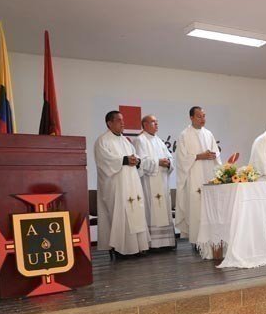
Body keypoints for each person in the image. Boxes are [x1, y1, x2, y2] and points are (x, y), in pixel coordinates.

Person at [94, 111, 149, 259]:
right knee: (121, 214)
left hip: (131, 183)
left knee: (135, 211)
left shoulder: (125, 141)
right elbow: (105, 161)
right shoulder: (102, 141)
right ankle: (120, 248)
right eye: (119, 120)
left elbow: (134, 156)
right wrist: (125, 160)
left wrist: (136, 160)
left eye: (123, 120)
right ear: (109, 123)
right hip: (116, 186)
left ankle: (137, 247)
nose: (123, 123)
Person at [175, 106, 221, 245]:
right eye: (199, 116)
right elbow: (181, 158)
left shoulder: (209, 134)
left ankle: (210, 238)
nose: (203, 119)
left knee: (209, 208)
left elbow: (216, 154)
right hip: (194, 176)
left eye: (204, 116)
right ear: (191, 118)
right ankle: (196, 241)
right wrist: (199, 156)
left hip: (208, 175)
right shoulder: (184, 135)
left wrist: (214, 155)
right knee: (195, 207)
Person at [133, 115, 176, 249]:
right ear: (144, 124)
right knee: (152, 210)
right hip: (149, 181)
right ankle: (152, 243)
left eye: (157, 122)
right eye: (153, 122)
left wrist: (169, 163)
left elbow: (169, 157)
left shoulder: (159, 140)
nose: (156, 124)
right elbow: (140, 162)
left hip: (162, 181)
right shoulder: (140, 140)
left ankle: (166, 243)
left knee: (163, 209)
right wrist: (158, 162)